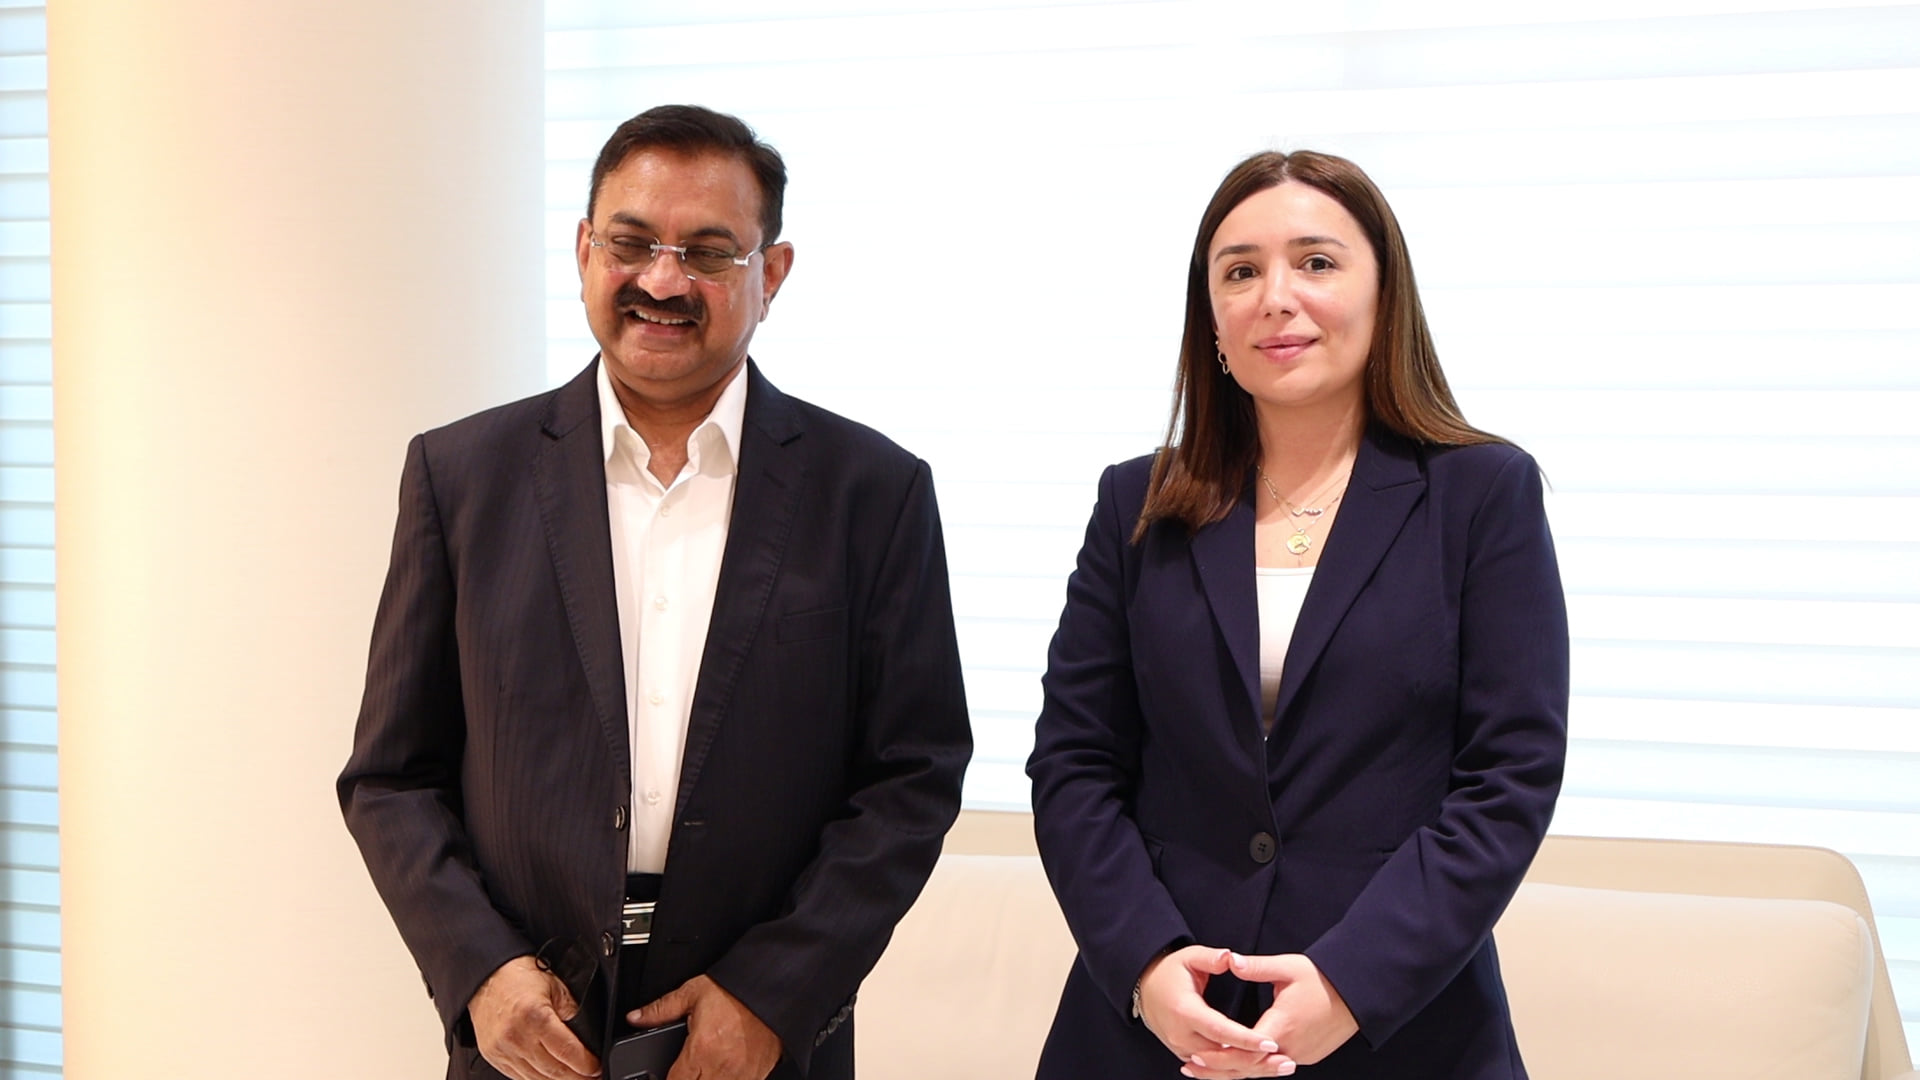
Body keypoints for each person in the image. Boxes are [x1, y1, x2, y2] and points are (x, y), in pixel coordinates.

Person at [339, 105, 972, 1080]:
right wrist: (480, 971)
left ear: (772, 273)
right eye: (631, 243)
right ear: (585, 251)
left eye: (709, 253)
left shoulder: (873, 493)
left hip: (759, 1041)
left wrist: (774, 992)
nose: (663, 282)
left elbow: (913, 776)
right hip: (528, 1032)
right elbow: (391, 778)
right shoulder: (461, 479)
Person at [1026, 149, 1568, 1079]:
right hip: (1157, 1029)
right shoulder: (1137, 505)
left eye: (1316, 262)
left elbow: (1508, 777)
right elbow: (1074, 765)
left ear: (1384, 294)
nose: (1276, 297)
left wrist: (1353, 983)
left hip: (1402, 1027)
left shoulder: (1483, 493)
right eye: (1240, 272)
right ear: (1212, 319)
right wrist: (1147, 965)